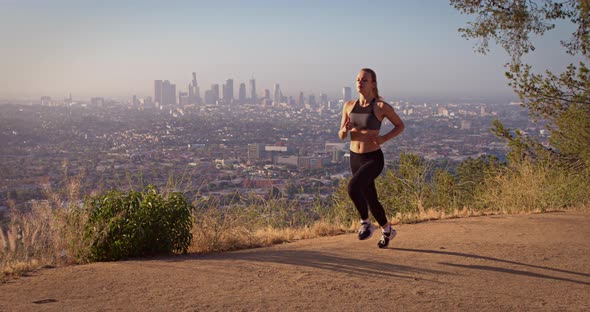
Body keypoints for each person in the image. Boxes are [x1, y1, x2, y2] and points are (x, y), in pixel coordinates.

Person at [338, 68, 405, 248]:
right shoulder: (349, 106)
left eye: (364, 80)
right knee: (371, 198)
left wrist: (384, 138)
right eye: (358, 79)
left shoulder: (381, 107)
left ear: (373, 84)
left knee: (353, 187)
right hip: (355, 157)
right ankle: (388, 230)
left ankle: (365, 223)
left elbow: (400, 125)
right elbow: (341, 135)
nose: (360, 82)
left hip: (373, 158)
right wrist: (345, 129)